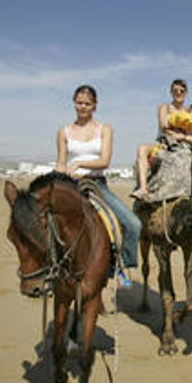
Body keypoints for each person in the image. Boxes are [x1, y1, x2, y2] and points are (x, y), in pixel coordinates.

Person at [55, 84, 141, 280]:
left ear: (94, 105)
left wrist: (78, 163)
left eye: (87, 103)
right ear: (74, 104)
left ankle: (119, 266)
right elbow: (61, 163)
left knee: (133, 224)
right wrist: (60, 176)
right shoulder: (63, 132)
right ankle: (49, 270)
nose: (82, 107)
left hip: (96, 184)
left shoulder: (104, 129)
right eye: (79, 102)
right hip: (70, 186)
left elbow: (105, 161)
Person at [132, 80, 192, 200]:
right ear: (171, 92)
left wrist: (182, 136)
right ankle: (142, 188)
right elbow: (163, 126)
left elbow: (190, 133)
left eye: (181, 91)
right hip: (164, 143)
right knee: (142, 148)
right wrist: (177, 131)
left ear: (186, 92)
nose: (178, 93)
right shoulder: (164, 107)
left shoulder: (188, 112)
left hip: (181, 146)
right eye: (175, 91)